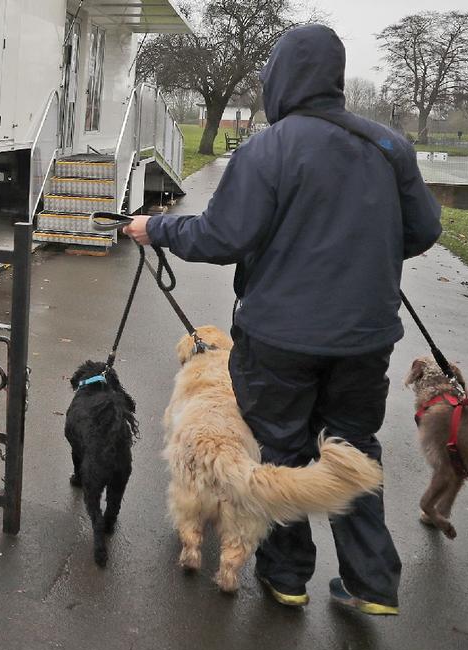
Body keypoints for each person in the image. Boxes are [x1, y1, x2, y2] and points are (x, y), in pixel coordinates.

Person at [125, 24, 441, 615]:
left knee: (284, 445)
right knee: (354, 444)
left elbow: (222, 236)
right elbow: (423, 231)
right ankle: (372, 581)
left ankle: (286, 576)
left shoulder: (267, 149)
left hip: (279, 338)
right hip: (365, 338)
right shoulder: (389, 147)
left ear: (280, 78)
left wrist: (154, 227)